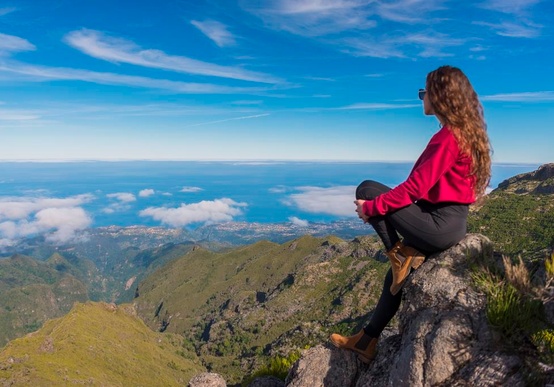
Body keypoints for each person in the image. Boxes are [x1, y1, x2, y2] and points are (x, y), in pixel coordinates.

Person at [329, 65, 492, 363]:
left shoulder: (449, 137)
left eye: (424, 92)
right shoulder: (463, 134)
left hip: (438, 223)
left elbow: (414, 188)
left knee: (367, 189)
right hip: (449, 222)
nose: (421, 98)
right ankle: (366, 341)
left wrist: (372, 208)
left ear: (440, 96)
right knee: (394, 280)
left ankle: (398, 253)